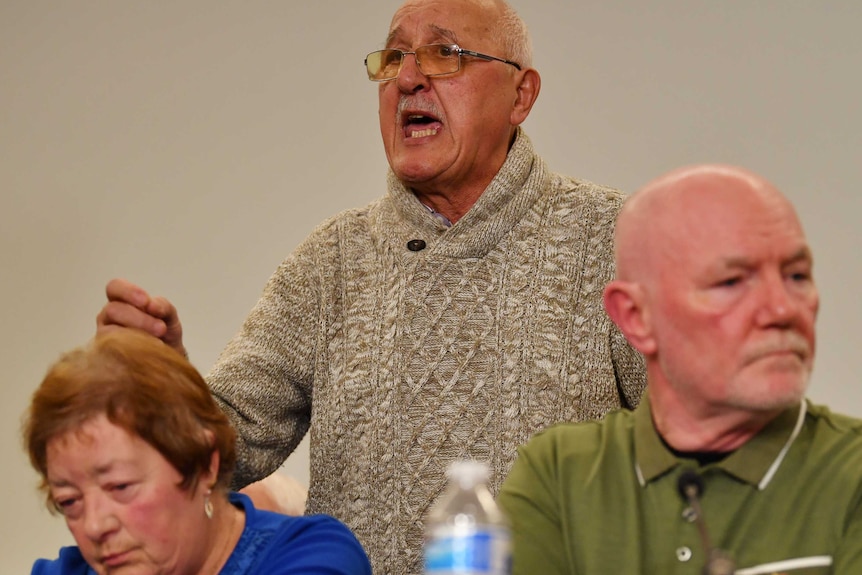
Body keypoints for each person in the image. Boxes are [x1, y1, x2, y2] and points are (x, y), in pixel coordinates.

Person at [95, 0, 646, 571]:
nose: (408, 78)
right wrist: (160, 384)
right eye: (394, 56)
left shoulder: (613, 240)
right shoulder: (330, 259)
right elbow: (224, 449)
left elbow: (694, 444)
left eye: (443, 54)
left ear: (521, 95)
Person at [498, 164, 862, 574]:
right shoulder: (559, 473)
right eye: (731, 282)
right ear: (636, 317)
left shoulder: (851, 471)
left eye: (797, 276)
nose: (782, 310)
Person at [23, 329, 371, 575]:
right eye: (69, 501)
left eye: (119, 487)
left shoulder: (312, 554)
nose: (95, 526)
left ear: (204, 464)